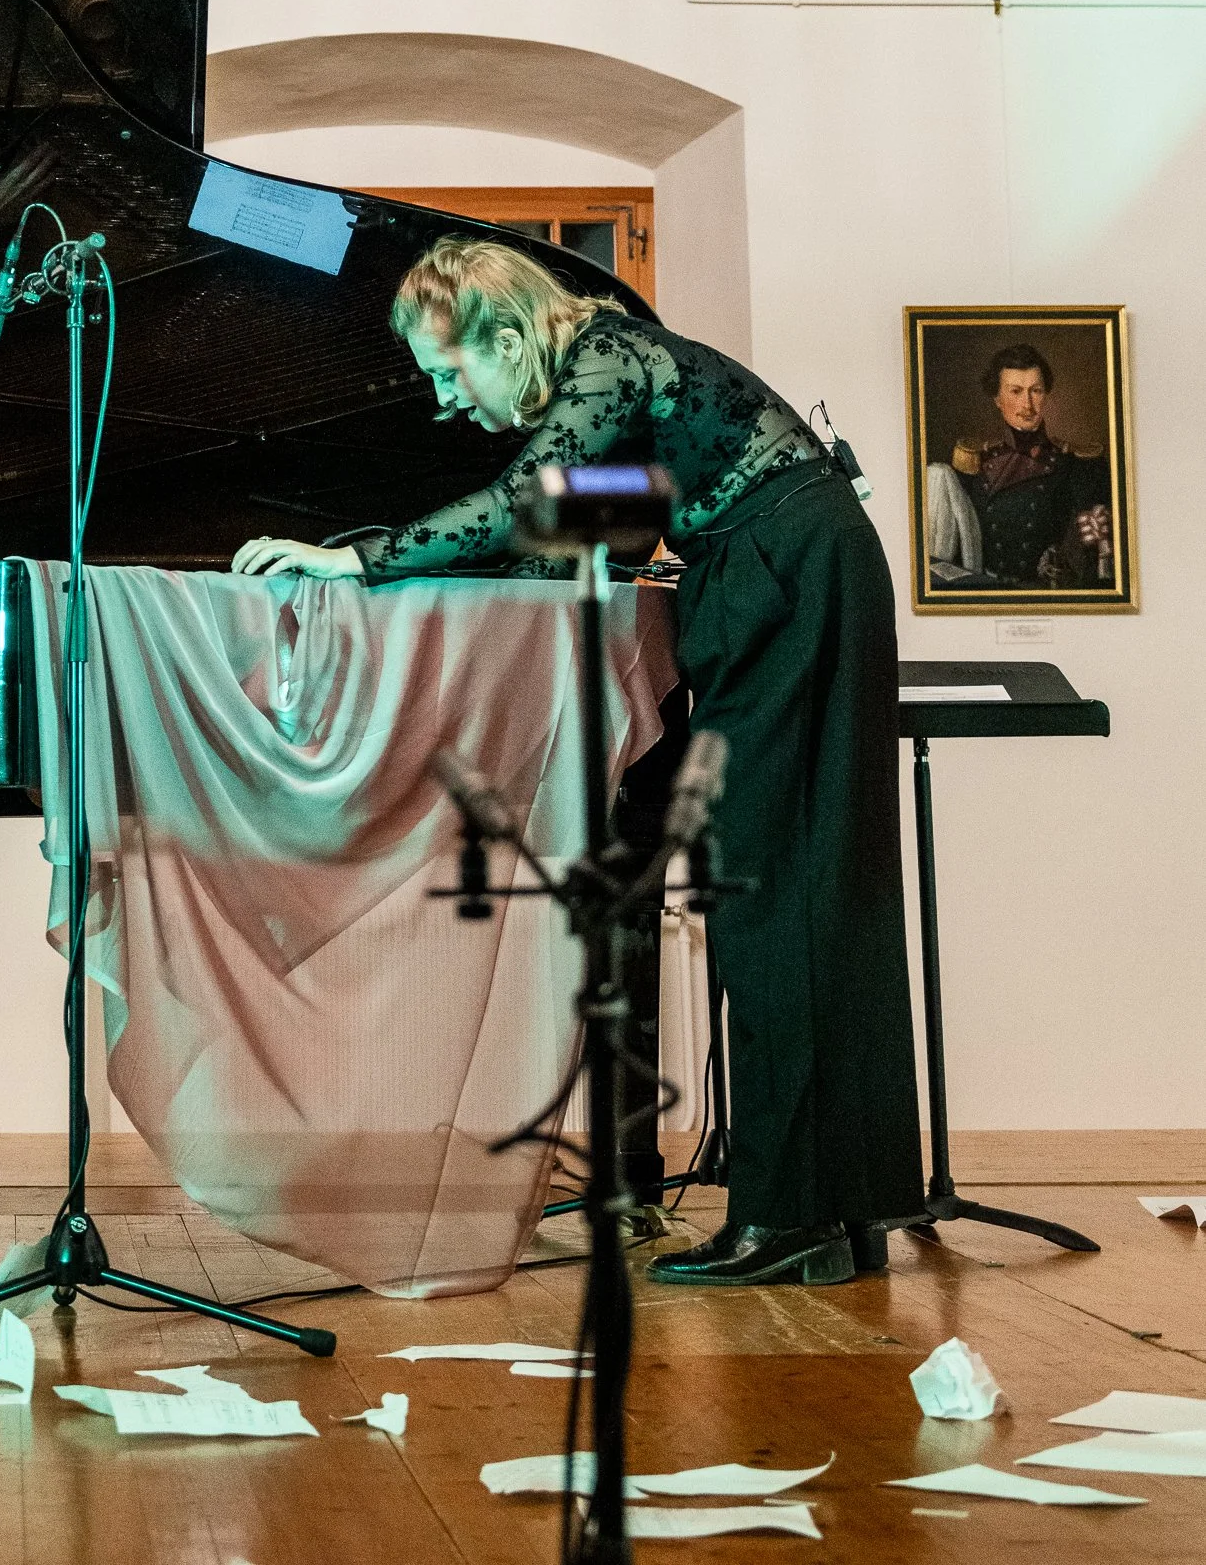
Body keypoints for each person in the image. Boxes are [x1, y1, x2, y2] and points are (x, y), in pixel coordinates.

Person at [231, 237, 923, 1291]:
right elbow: (577, 524)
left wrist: (351, 562)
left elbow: (522, 507)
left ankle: (793, 1221)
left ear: (507, 336)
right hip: (790, 566)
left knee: (778, 895)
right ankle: (835, 1212)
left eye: (451, 371)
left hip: (785, 574)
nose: (447, 401)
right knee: (809, 888)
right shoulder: (622, 375)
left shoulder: (606, 360)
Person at [945, 343, 1112, 588]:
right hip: (983, 590)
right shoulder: (975, 460)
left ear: (1045, 395)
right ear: (997, 399)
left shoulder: (1075, 463)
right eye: (1015, 391)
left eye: (1036, 391)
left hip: (1042, 592)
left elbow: (1097, 549)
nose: (1027, 404)